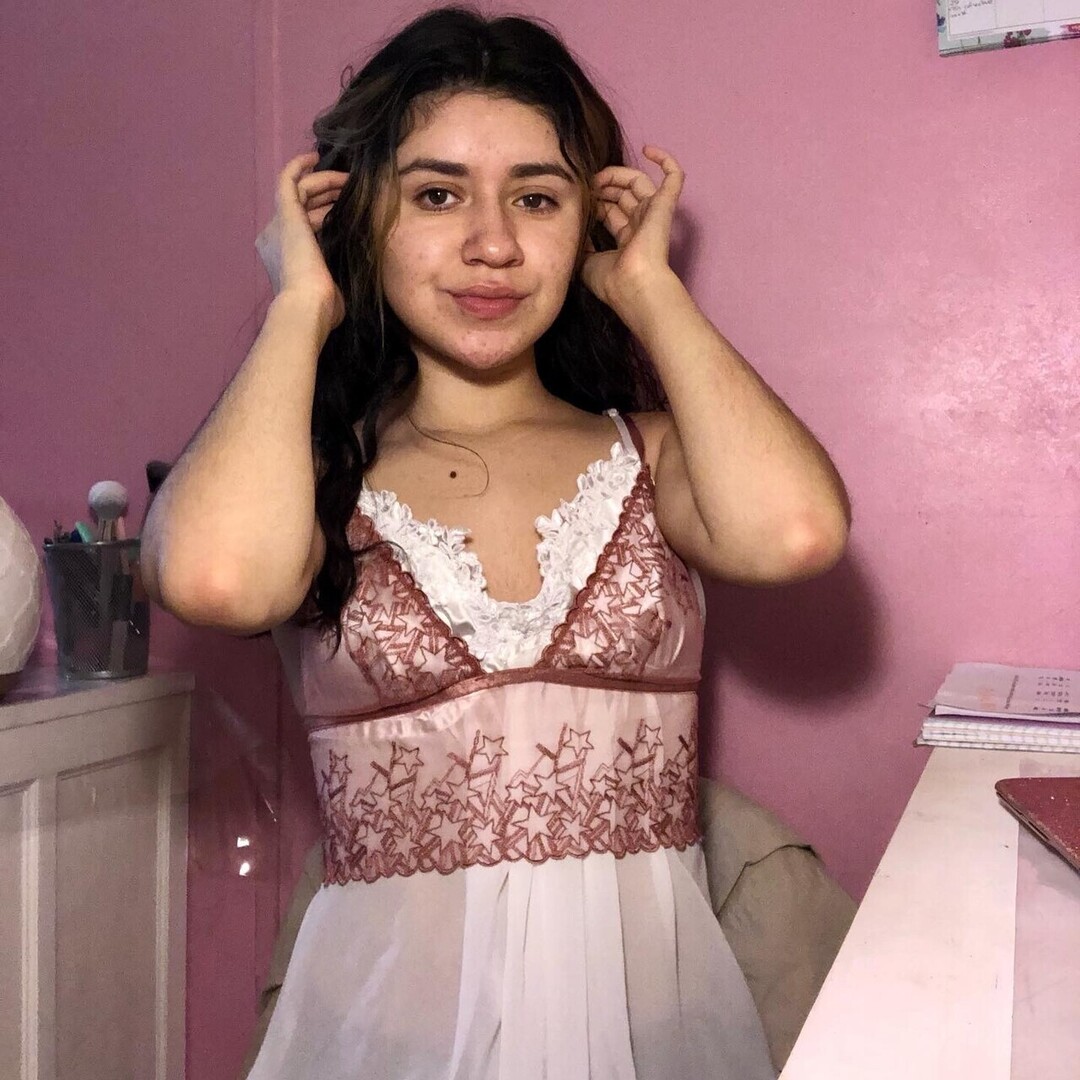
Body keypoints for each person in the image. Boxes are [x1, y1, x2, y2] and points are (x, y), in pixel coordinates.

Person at [142, 7, 850, 1079]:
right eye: (436, 195)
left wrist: (650, 289)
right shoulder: (310, 478)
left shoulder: (654, 454)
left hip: (657, 1045)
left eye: (537, 197)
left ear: (587, 223)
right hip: (381, 1045)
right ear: (359, 219)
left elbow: (796, 533)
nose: (494, 244)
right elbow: (215, 579)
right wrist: (302, 302)